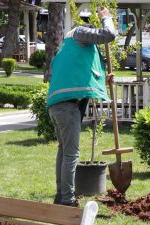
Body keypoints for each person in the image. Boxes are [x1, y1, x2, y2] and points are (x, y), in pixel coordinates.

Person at [47, 7, 116, 207]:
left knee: (64, 151)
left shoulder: (67, 48)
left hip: (58, 105)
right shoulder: (79, 33)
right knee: (71, 154)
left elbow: (79, 75)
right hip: (67, 107)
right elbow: (109, 35)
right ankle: (67, 200)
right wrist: (107, 18)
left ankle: (61, 196)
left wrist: (103, 80)